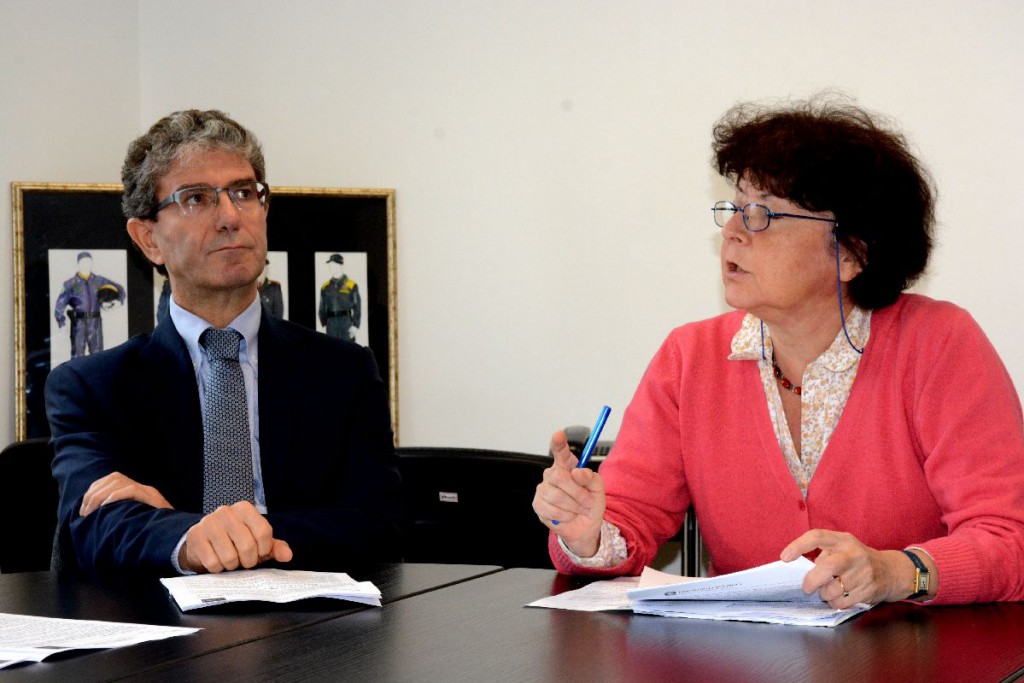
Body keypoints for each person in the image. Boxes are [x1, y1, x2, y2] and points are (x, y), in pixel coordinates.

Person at [533, 95, 1024, 607]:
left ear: (852, 253)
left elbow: (1010, 539)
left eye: (763, 214)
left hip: (912, 645)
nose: (732, 232)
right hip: (745, 647)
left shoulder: (938, 345)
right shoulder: (690, 357)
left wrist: (898, 571)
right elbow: (628, 518)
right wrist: (587, 533)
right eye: (735, 208)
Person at [45, 109, 401, 574]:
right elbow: (93, 525)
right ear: (148, 239)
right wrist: (189, 540)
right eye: (196, 198)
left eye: (244, 193)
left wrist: (206, 531)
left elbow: (379, 525)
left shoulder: (343, 371)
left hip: (314, 616)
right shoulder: (91, 386)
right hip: (159, 619)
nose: (231, 216)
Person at [53, 251, 126, 357]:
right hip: (78, 323)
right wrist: (61, 323)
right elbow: (60, 304)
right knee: (78, 355)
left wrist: (119, 301)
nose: (86, 265)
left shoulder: (99, 280)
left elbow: (120, 288)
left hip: (95, 322)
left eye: (89, 262)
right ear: (78, 264)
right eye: (83, 262)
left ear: (91, 263)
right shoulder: (70, 284)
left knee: (98, 354)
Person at [319, 253, 361, 341]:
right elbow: (322, 308)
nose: (331, 267)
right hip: (331, 323)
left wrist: (355, 325)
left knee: (347, 347)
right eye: (330, 265)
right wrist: (323, 324)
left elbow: (357, 307)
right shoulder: (325, 287)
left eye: (334, 265)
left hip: (346, 323)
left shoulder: (351, 285)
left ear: (341, 265)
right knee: (332, 347)